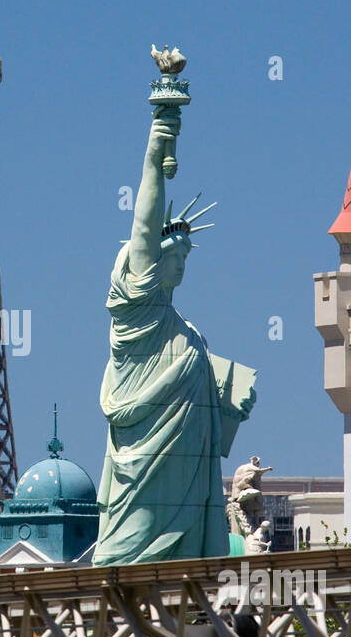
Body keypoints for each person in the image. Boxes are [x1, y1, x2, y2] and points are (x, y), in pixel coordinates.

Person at [95, 107, 255, 564]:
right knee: (134, 578)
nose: (181, 263)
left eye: (186, 256)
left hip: (190, 495)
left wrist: (228, 404)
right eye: (172, 255)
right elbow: (144, 228)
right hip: (145, 485)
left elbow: (204, 418)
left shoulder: (187, 330)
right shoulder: (137, 315)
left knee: (185, 593)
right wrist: (153, 156)